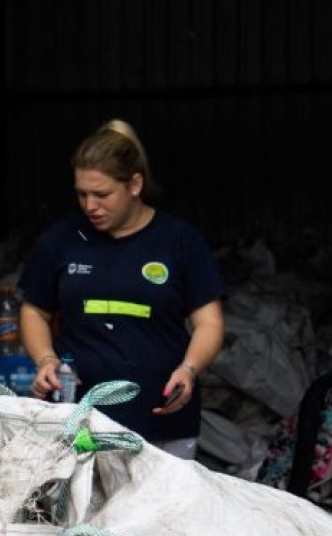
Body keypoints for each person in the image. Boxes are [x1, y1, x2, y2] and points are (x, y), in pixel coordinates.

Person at [17, 120, 226, 458]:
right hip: (80, 421)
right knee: (87, 509)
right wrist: (45, 359)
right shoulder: (62, 239)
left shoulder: (179, 241)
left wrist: (189, 369)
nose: (90, 206)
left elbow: (210, 322)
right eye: (82, 194)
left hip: (163, 419)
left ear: (135, 184)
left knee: (164, 510)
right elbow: (34, 310)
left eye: (102, 195)